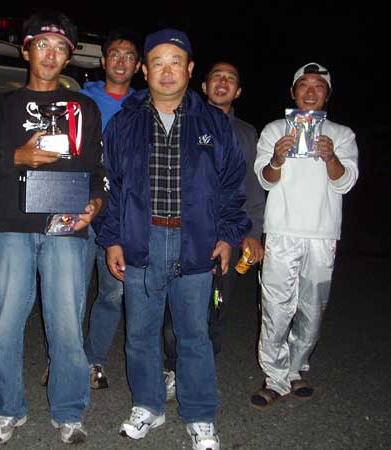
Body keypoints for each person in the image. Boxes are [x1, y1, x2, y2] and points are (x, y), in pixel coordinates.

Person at [98, 29, 250, 450]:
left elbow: (232, 187)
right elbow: (111, 186)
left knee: (194, 334)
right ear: (145, 70)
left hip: (195, 241)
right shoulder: (124, 122)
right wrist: (112, 239)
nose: (167, 71)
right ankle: (148, 405)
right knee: (140, 333)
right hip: (140, 239)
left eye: (175, 62)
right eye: (158, 63)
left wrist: (227, 236)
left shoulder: (214, 123)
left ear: (190, 68)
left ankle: (200, 415)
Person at [0, 10, 105, 446]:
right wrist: (17, 158)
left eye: (60, 48)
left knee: (66, 325)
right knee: (6, 323)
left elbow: (99, 169)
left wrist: (96, 204)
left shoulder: (83, 108)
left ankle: (69, 410)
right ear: (26, 51)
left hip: (67, 228)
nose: (51, 54)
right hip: (13, 228)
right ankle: (9, 407)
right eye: (42, 45)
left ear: (68, 57)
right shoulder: (1, 107)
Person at [250, 62, 358, 410]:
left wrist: (331, 157)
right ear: (293, 92)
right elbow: (265, 179)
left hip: (322, 234)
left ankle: (296, 369)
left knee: (312, 308)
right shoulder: (275, 129)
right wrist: (277, 159)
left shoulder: (342, 134)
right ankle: (274, 378)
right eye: (304, 85)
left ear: (327, 94)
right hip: (281, 231)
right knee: (276, 307)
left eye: (318, 86)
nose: (311, 92)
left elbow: (345, 182)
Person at [161, 61, 266, 400]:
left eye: (230, 79)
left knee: (217, 307)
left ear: (238, 91)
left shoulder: (247, 133)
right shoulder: (183, 120)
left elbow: (252, 186)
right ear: (203, 86)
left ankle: (202, 370)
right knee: (176, 308)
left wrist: (254, 232)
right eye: (216, 77)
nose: (223, 82)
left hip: (229, 235)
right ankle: (173, 367)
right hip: (185, 232)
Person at [80, 28, 142, 389]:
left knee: (112, 290)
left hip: (120, 212)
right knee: (69, 290)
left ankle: (93, 359)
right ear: (103, 61)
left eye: (128, 56)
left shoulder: (144, 107)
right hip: (79, 204)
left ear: (138, 65)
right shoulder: (81, 99)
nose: (121, 61)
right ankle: (67, 359)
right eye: (115, 54)